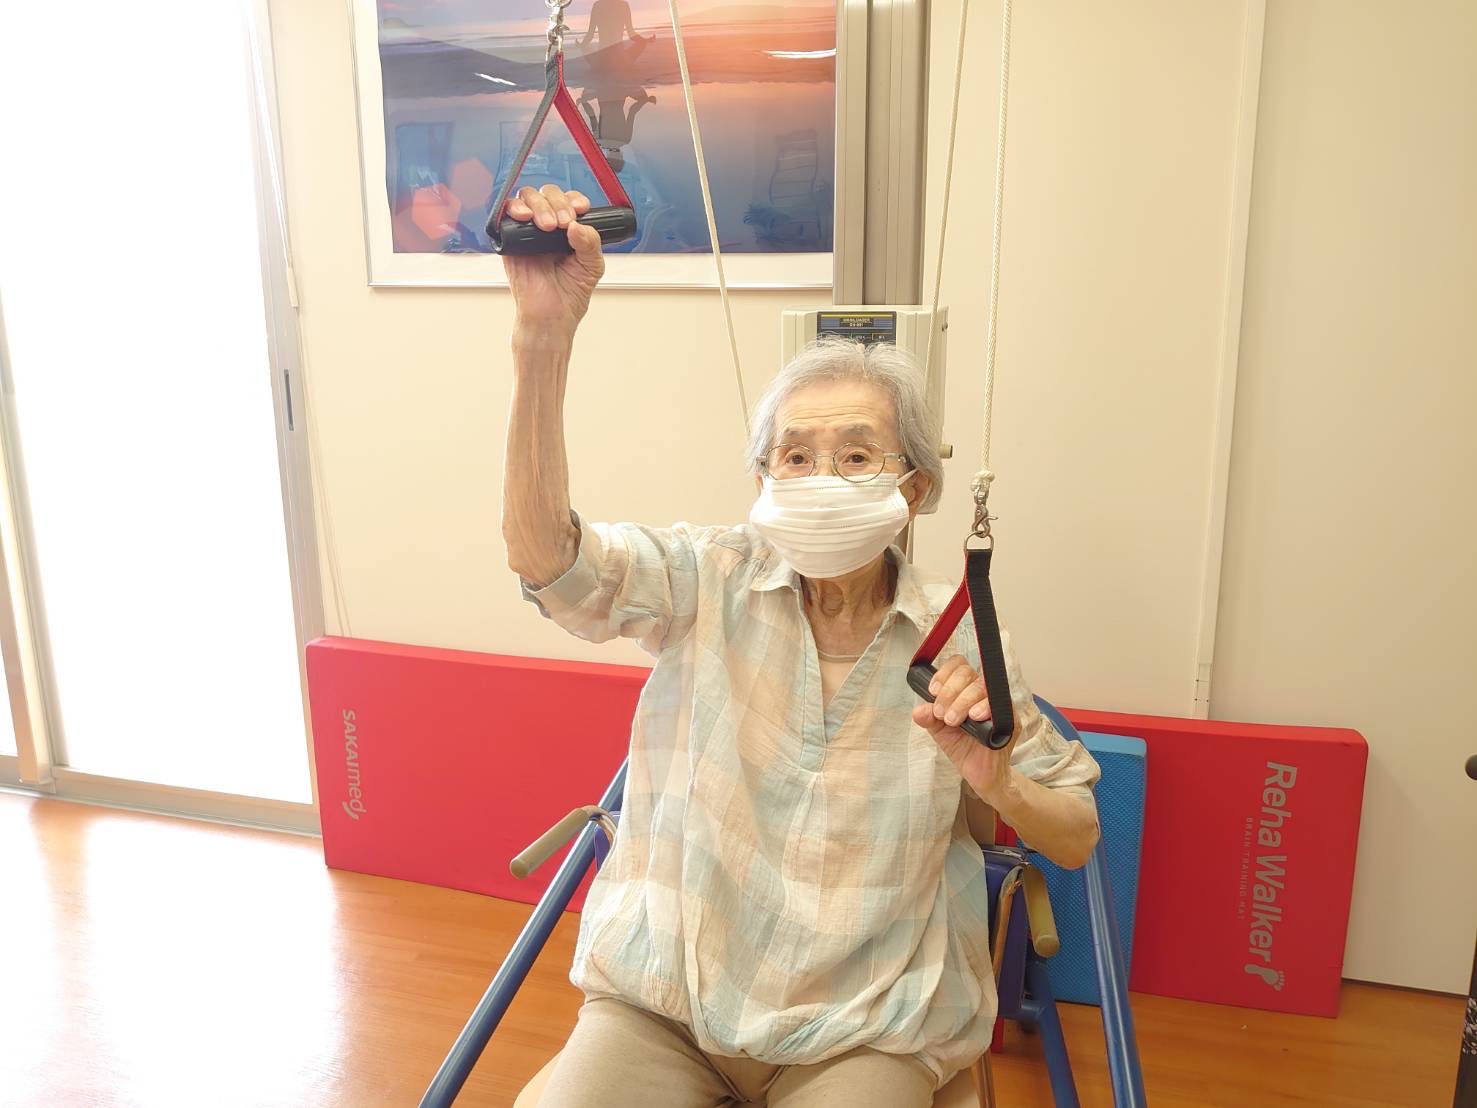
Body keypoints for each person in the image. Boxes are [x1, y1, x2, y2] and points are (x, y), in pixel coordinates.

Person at [500, 184, 1102, 1107]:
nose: (821, 477)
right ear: (762, 479)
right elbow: (550, 562)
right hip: (666, 1003)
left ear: (915, 487)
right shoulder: (705, 579)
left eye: (856, 456)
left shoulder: (961, 644)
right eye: (794, 456)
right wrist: (541, 340)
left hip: (865, 1029)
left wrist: (998, 784)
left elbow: (1076, 834)